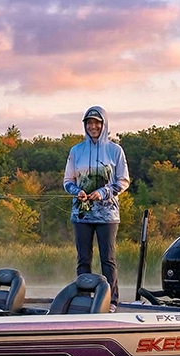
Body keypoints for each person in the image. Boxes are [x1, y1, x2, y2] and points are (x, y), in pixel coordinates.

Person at [63, 106, 130, 307]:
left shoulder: (115, 150)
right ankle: (84, 299)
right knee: (83, 259)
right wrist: (77, 192)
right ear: (85, 125)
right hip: (81, 214)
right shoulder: (76, 151)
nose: (93, 126)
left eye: (96, 123)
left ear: (104, 125)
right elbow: (68, 181)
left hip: (107, 215)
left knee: (107, 259)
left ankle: (111, 300)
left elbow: (124, 181)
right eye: (89, 123)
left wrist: (102, 192)